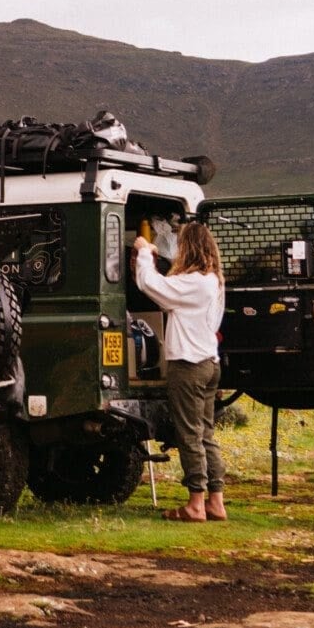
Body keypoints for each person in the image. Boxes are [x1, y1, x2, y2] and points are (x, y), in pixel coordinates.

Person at [131, 220, 228, 522]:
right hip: (209, 364)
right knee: (206, 434)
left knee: (189, 434)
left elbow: (152, 285)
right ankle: (216, 500)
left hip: (189, 365)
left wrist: (144, 252)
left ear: (190, 248)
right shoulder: (212, 281)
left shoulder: (194, 283)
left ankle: (195, 503)